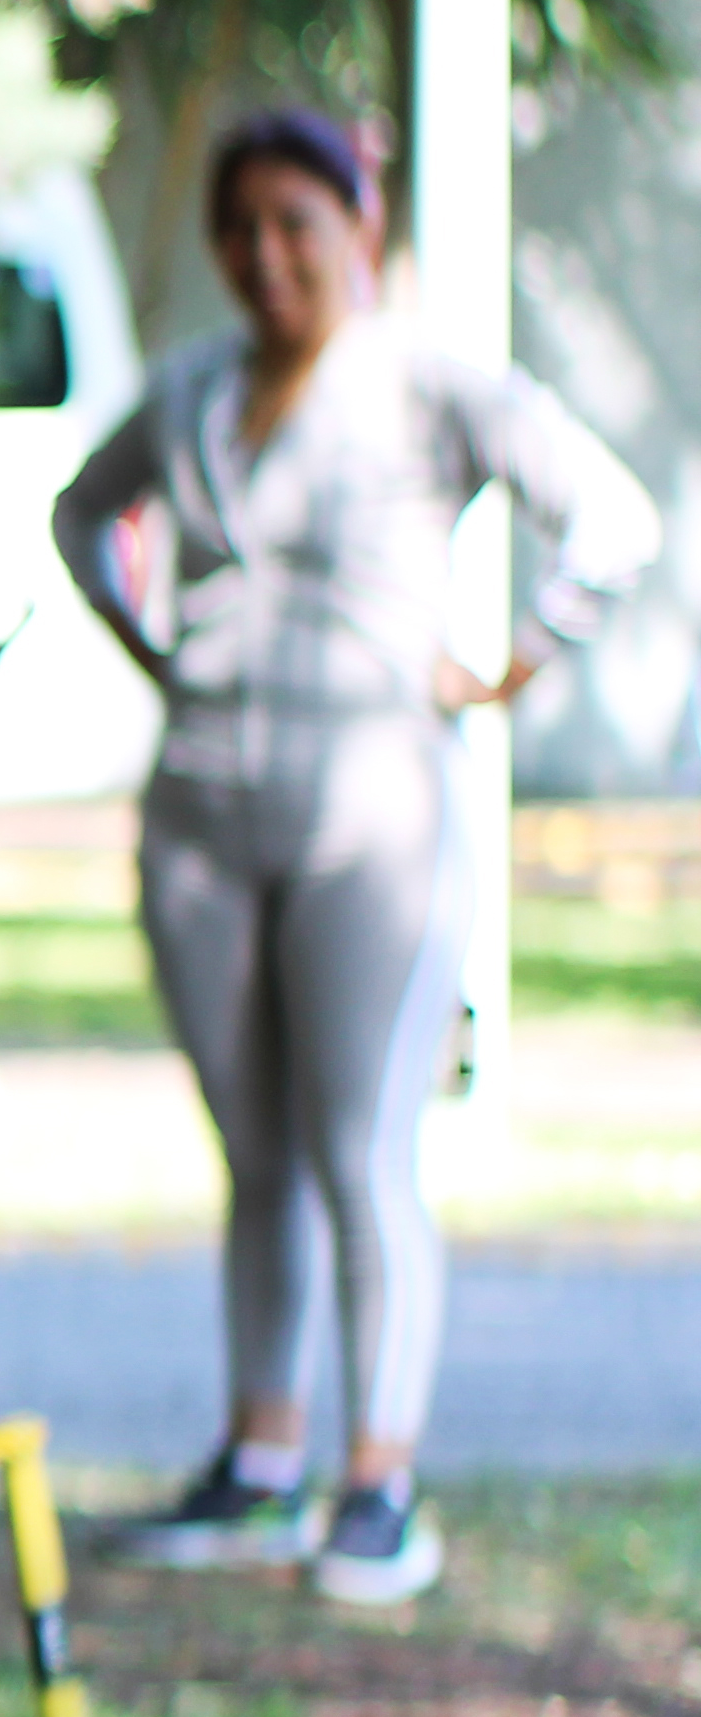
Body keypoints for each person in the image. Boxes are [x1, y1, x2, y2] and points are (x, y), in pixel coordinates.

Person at [49, 108, 661, 1603]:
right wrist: (157, 649)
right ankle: (259, 1460)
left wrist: (511, 662)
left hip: (374, 815)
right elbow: (82, 519)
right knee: (254, 1155)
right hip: (202, 811)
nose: (268, 260)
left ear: (358, 233)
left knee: (356, 1149)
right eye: (241, 231)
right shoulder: (192, 389)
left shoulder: (428, 383)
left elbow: (611, 521)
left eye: (298, 227)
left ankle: (376, 1479)